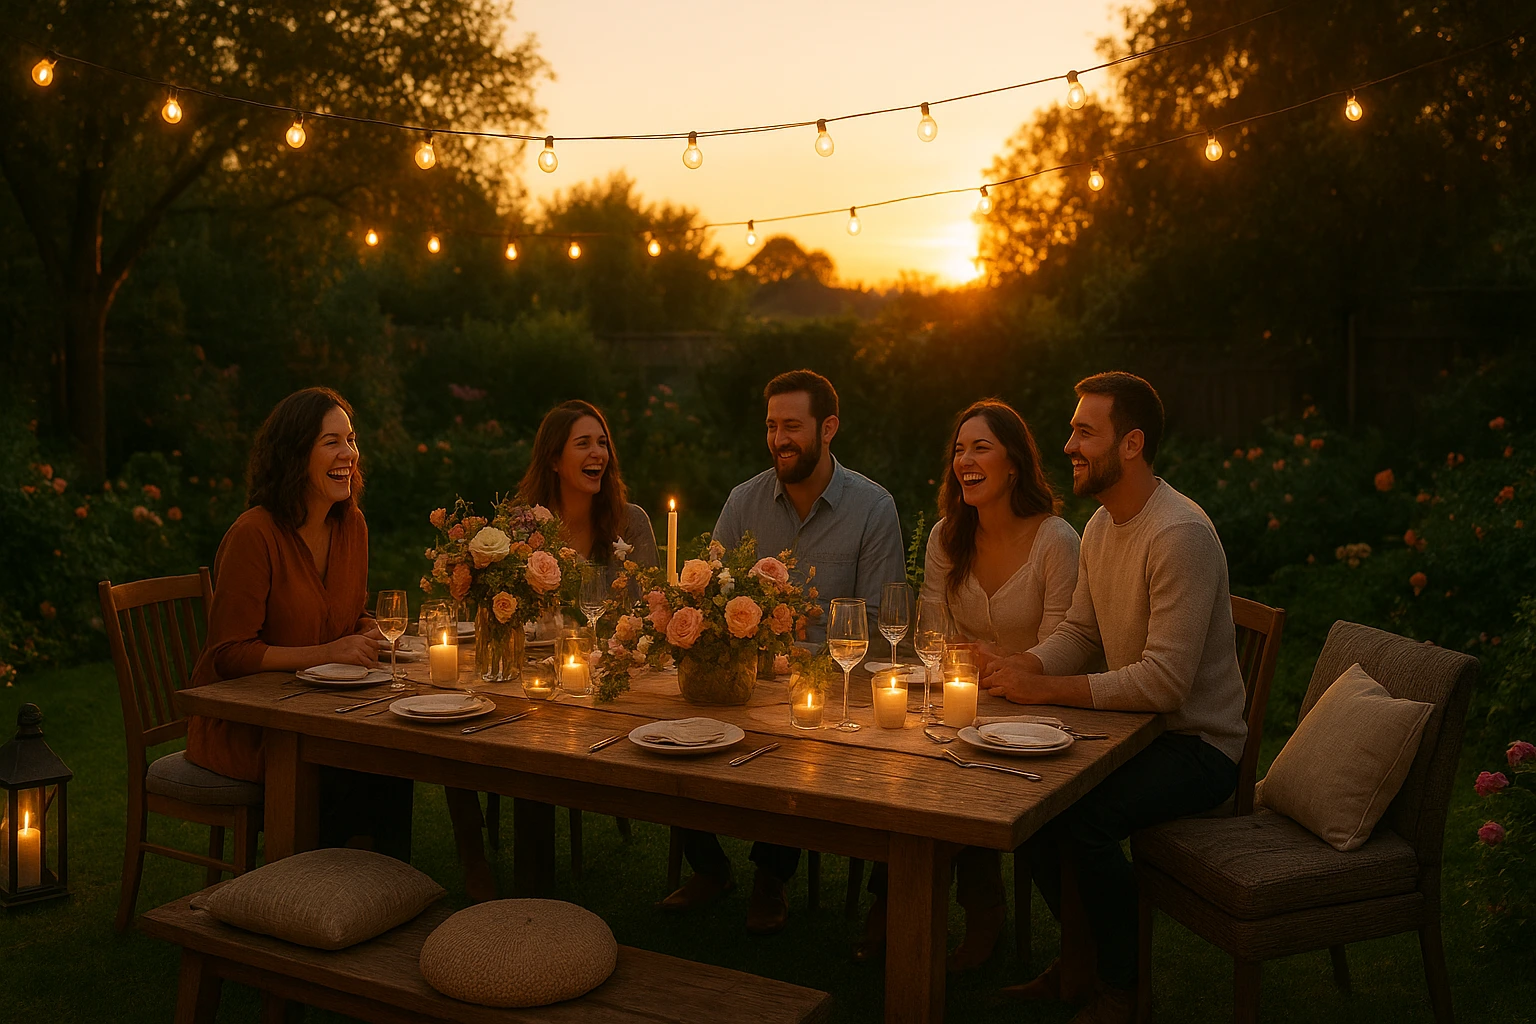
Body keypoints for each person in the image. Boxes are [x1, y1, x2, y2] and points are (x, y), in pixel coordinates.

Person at [979, 372, 1246, 1024]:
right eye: (1072, 429)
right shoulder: (1101, 525)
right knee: (1030, 797)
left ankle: (1121, 988)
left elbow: (1164, 682)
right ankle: (1080, 962)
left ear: (1131, 444)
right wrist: (1016, 666)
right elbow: (1080, 632)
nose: (1068, 443)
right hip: (1142, 733)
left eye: (1083, 431)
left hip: (1197, 744)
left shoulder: (1177, 533)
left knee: (1084, 818)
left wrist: (1043, 688)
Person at [660, 369, 905, 935]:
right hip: (748, 681)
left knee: (797, 734)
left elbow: (875, 624)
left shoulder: (873, 508)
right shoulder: (744, 502)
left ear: (829, 428)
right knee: (670, 729)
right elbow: (709, 594)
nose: (779, 440)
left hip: (833, 686)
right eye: (772, 427)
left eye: (792, 426)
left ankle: (773, 877)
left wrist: (797, 644)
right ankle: (712, 867)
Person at [857, 399, 1080, 968]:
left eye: (981, 447)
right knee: (904, 766)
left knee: (960, 779)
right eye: (959, 449)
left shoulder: (1056, 540)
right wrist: (964, 663)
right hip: (963, 698)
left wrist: (1003, 666)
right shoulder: (945, 538)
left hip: (1036, 709)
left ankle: (978, 916)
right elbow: (933, 630)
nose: (965, 460)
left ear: (1014, 464)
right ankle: (895, 902)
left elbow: (1066, 642)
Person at [441, 399, 662, 898]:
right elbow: (502, 612)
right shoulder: (521, 529)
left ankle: (532, 884)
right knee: (457, 714)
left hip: (605, 682)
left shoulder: (632, 523)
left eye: (602, 442)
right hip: (532, 676)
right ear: (555, 460)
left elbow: (650, 614)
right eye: (583, 443)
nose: (597, 453)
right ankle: (473, 854)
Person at [188, 387, 414, 861]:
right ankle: (305, 897)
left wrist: (370, 629)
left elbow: (344, 614)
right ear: (295, 454)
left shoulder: (352, 526)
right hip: (253, 728)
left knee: (395, 756)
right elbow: (228, 654)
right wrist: (329, 652)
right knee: (348, 767)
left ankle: (380, 896)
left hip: (323, 715)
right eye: (331, 442)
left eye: (351, 440)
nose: (348, 454)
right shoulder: (255, 535)